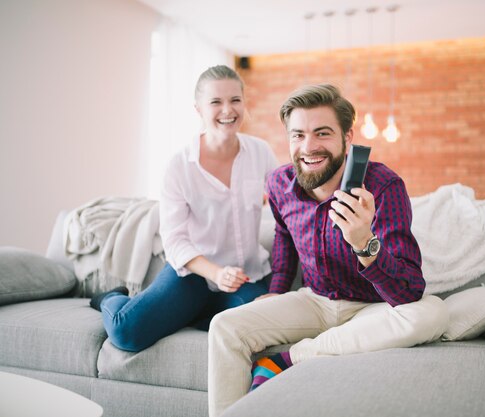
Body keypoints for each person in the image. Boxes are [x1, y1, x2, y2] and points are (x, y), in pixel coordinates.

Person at [208, 84, 449, 416]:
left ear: (347, 136)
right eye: (298, 135)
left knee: (431, 313)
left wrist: (364, 241)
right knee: (224, 326)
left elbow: (409, 291)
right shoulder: (279, 184)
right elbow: (284, 239)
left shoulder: (383, 186)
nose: (308, 147)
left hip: (372, 307)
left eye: (322, 133)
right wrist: (277, 291)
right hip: (315, 300)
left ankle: (290, 358)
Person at [89, 65, 278, 352]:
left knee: (263, 329)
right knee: (126, 332)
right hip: (192, 276)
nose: (228, 109)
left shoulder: (260, 152)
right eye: (216, 102)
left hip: (245, 277)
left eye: (235, 100)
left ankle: (197, 313)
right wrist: (215, 273)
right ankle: (110, 298)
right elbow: (174, 240)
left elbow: (286, 206)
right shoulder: (178, 166)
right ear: (199, 109)